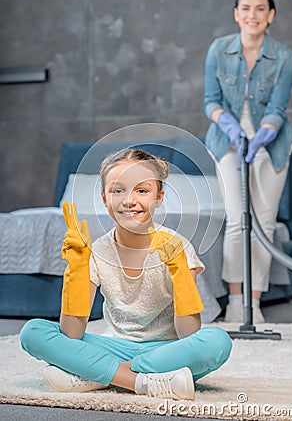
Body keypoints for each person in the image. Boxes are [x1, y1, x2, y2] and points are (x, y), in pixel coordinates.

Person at [20, 148, 232, 400]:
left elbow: (189, 335)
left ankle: (96, 375)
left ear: (159, 197)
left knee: (217, 341)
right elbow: (72, 334)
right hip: (114, 347)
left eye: (142, 190)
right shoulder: (96, 250)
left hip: (166, 350)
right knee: (33, 332)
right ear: (104, 197)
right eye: (117, 190)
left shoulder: (179, 247)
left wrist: (181, 276)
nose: (129, 200)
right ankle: (143, 382)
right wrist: (77, 270)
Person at [204, 0, 292, 323]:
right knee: (236, 221)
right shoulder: (218, 50)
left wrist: (261, 137)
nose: (252, 15)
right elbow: (210, 100)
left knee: (265, 224)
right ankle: (235, 302)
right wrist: (229, 125)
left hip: (270, 144)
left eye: (260, 9)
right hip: (227, 143)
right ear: (236, 14)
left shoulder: (283, 55)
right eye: (246, 8)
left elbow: (277, 107)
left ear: (271, 15)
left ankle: (254, 305)